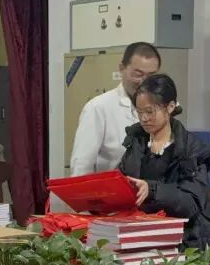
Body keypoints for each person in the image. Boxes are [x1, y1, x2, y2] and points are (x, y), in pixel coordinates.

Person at [119, 73, 210, 250]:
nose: (144, 118)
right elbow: (122, 179)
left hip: (186, 243)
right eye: (139, 112)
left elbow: (190, 203)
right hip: (145, 237)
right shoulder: (136, 143)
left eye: (150, 111)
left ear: (170, 107)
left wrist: (152, 190)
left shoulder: (192, 150)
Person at [69, 42, 162, 176]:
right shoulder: (98, 108)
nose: (144, 82)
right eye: (137, 74)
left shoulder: (162, 108)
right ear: (122, 68)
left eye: (151, 76)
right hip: (111, 188)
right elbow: (81, 166)